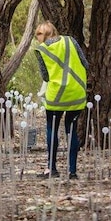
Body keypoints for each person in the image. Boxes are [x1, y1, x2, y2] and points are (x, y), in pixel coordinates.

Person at [33, 21, 88, 180]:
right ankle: (72, 172)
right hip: (76, 92)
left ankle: (52, 169)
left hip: (56, 96)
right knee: (72, 130)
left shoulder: (41, 50)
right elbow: (85, 63)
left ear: (41, 36)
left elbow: (45, 76)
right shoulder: (71, 41)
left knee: (52, 128)